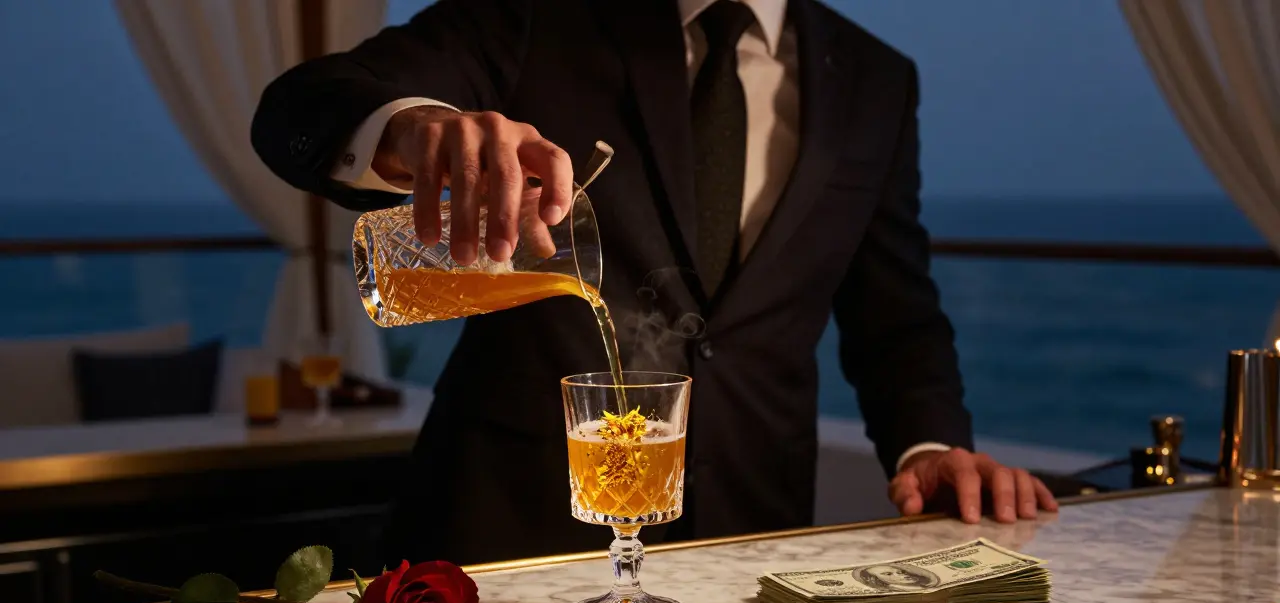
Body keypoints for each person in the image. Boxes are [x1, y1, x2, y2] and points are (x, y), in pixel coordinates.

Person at [251, 0, 1058, 566]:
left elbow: (896, 313)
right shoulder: (536, 13)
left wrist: (932, 444)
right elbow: (298, 106)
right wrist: (412, 127)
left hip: (751, 539)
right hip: (502, 539)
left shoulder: (878, 79)